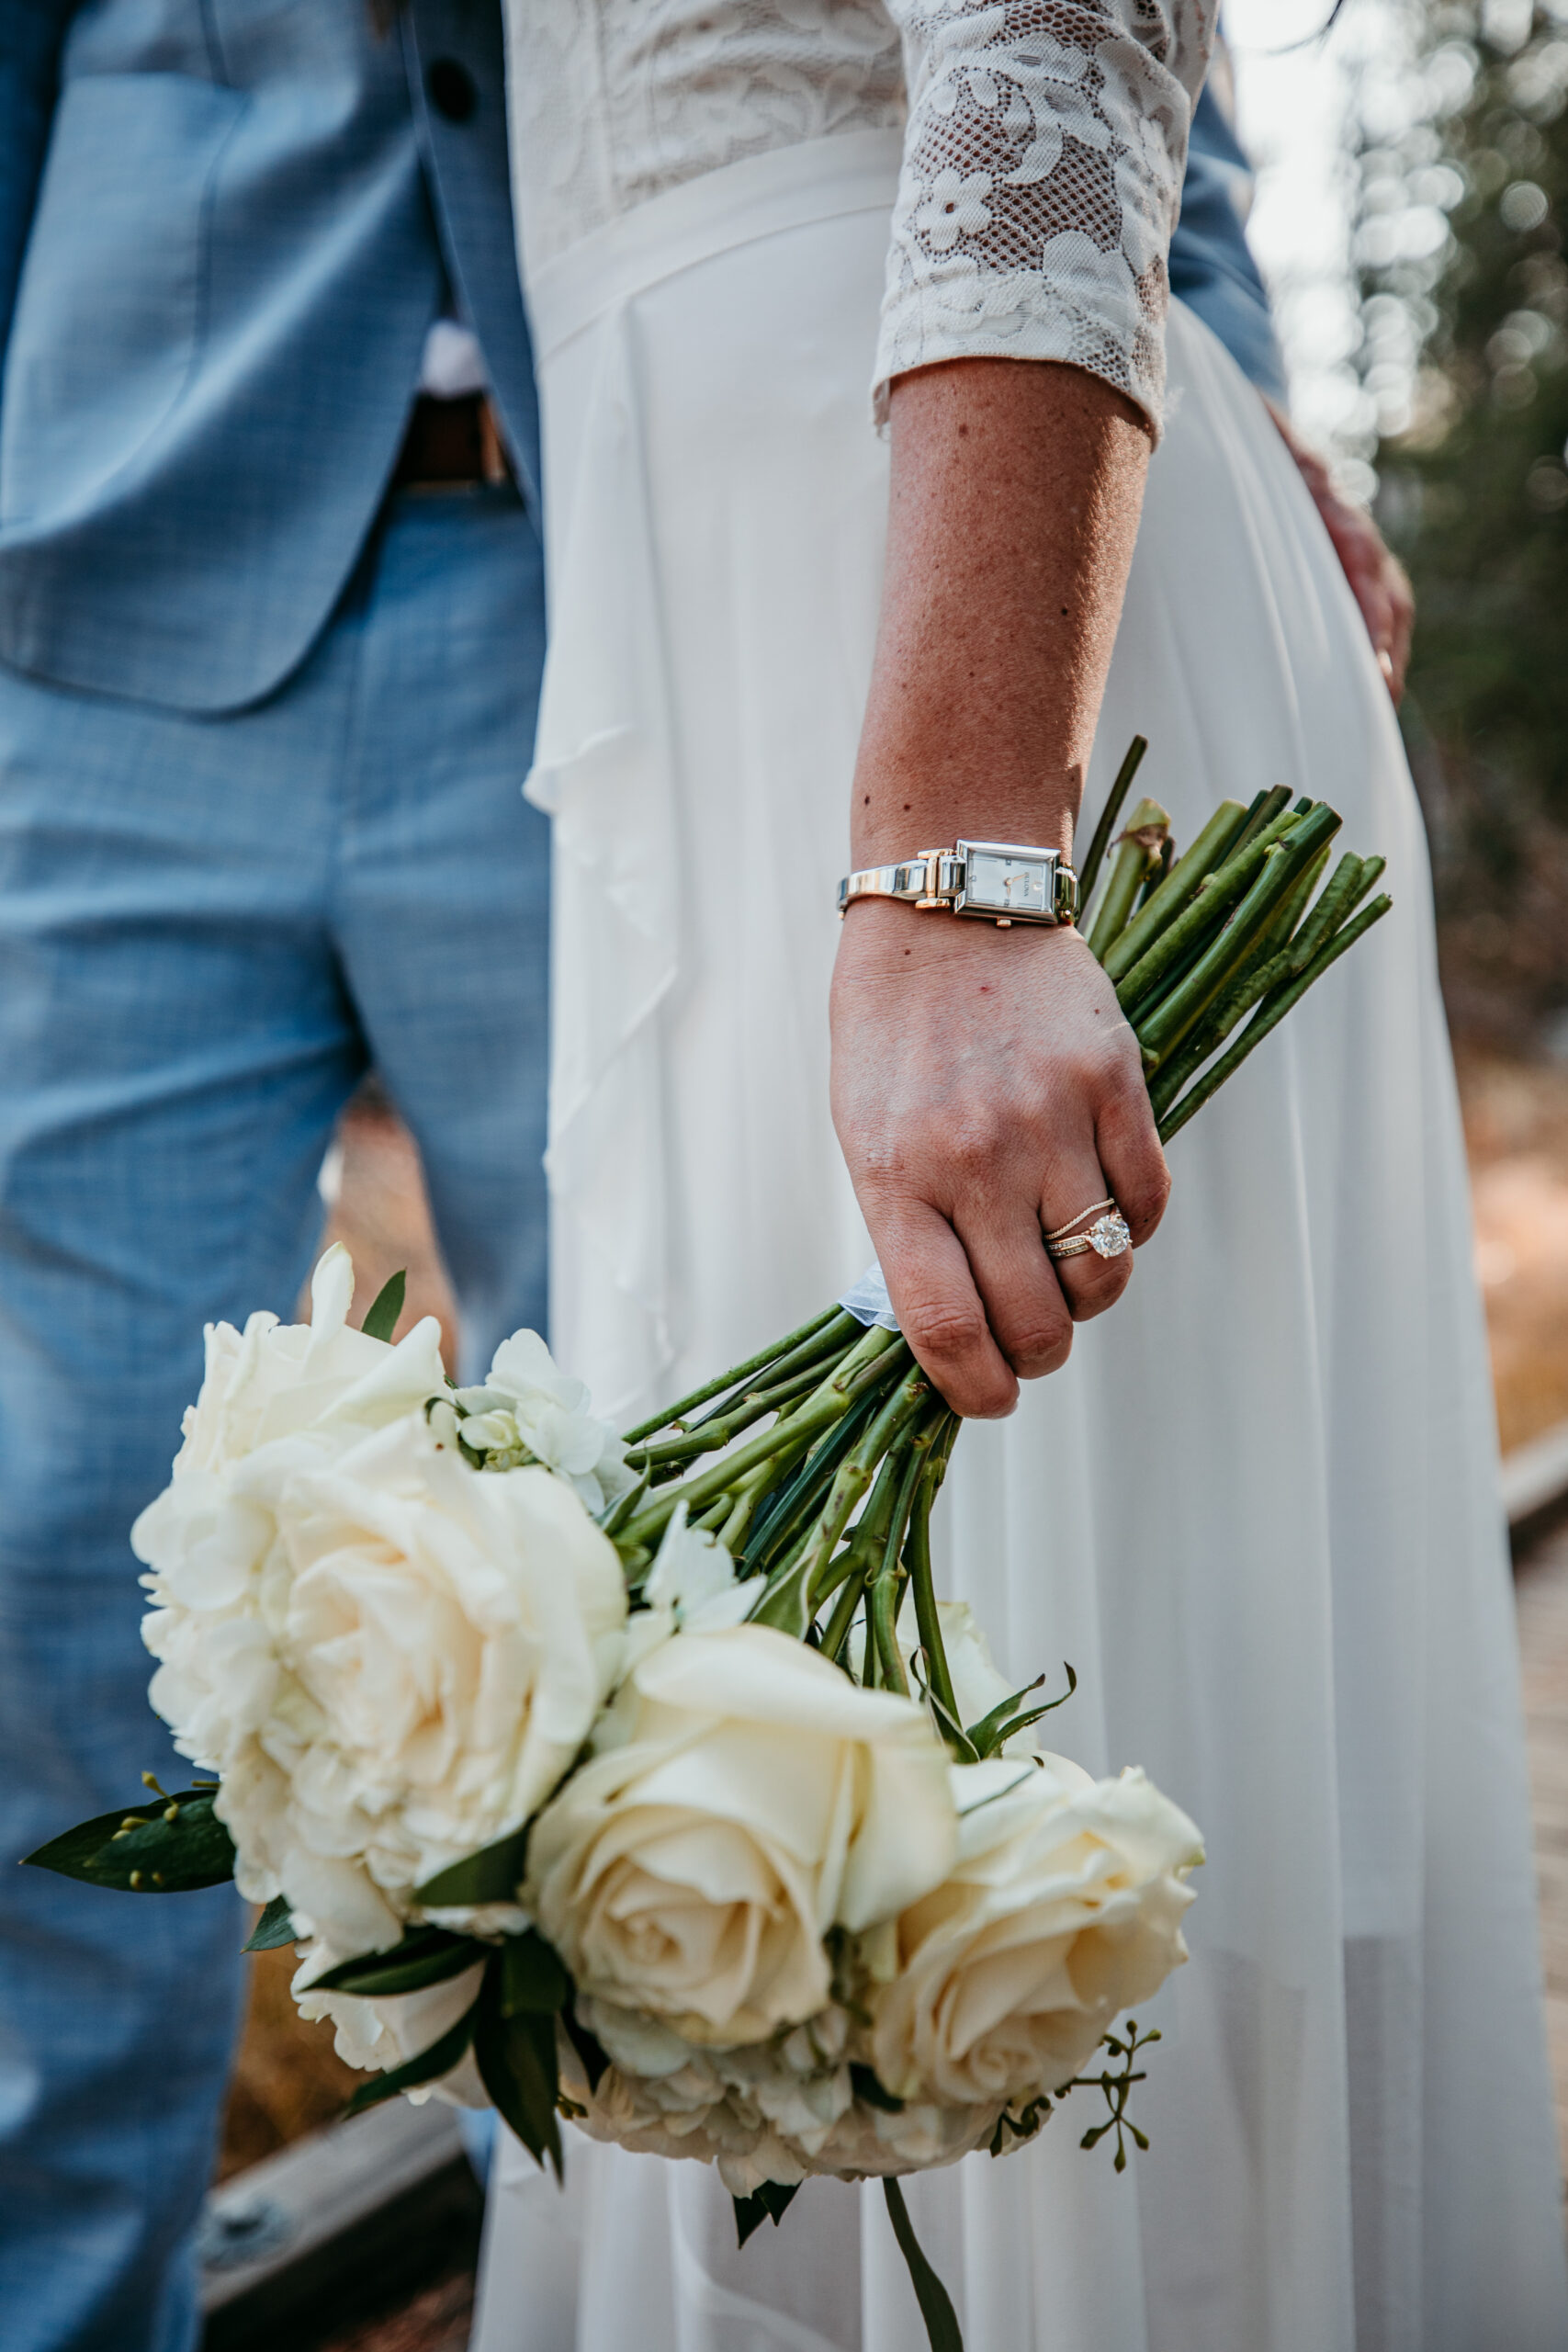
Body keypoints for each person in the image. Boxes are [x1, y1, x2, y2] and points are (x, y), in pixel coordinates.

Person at [472, 6, 1568, 2349]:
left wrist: (960, 868)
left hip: (923, 620)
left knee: (1081, 1793)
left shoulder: (944, 826)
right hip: (761, 555)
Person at [0, 6, 548, 2348]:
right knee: (48, 1553)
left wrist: (1198, 367)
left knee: (666, 1505)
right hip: (111, 589)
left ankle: (622, 2267)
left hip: (626, 579)